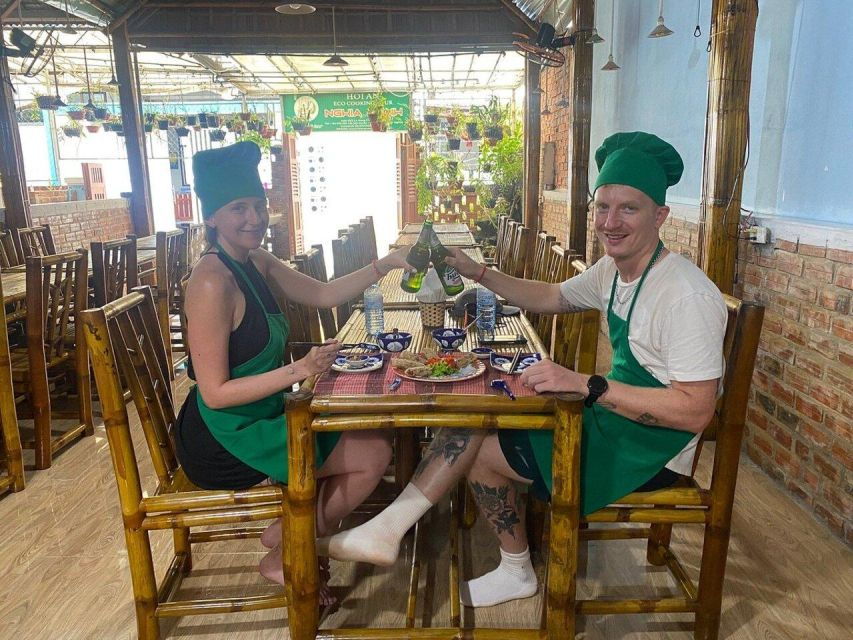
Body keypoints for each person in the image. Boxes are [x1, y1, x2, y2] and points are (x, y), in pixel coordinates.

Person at [317, 132, 727, 608]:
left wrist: (586, 384)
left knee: (480, 440)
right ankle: (397, 529)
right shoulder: (615, 270)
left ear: (660, 216)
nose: (610, 223)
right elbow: (551, 296)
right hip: (615, 418)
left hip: (652, 448)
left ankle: (497, 563)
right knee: (477, 413)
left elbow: (695, 412)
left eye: (628, 209)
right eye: (602, 207)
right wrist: (478, 273)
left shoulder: (685, 294)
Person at [174, 141, 411, 601]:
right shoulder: (209, 281)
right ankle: (287, 551)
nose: (255, 218)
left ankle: (290, 533)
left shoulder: (256, 262)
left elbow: (323, 294)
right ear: (211, 218)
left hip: (264, 413)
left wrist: (384, 264)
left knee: (370, 437)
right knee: (373, 453)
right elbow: (216, 393)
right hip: (223, 435)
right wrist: (300, 369)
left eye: (259, 206)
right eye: (238, 208)